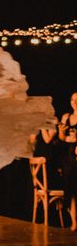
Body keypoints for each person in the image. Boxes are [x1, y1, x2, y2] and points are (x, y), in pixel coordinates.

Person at [57, 92, 77, 231]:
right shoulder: (66, 117)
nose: (75, 102)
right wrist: (63, 132)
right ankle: (74, 222)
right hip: (70, 157)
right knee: (72, 190)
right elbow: (62, 138)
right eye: (73, 100)